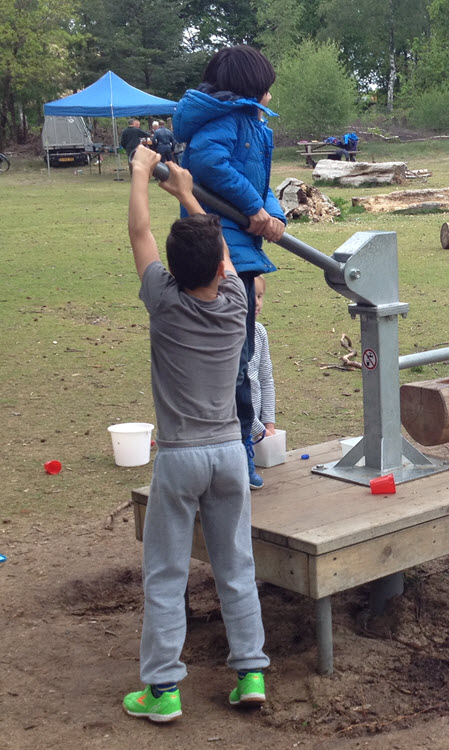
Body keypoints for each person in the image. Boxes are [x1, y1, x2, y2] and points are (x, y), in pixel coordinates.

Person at [122, 146, 269, 723]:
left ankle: (162, 691)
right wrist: (186, 192)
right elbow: (224, 254)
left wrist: (139, 173)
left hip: (181, 457)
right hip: (231, 455)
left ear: (172, 272)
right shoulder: (236, 301)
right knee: (236, 565)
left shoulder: (163, 301)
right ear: (216, 268)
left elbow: (139, 233)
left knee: (166, 572)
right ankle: (251, 673)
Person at [173, 44, 287, 490]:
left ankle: (239, 447)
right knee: (233, 360)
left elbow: (259, 181)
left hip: (246, 245)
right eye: (266, 89)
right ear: (249, 89)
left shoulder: (253, 125)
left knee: (240, 357)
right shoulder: (227, 122)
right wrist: (254, 206)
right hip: (224, 251)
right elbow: (206, 164)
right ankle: (235, 452)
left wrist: (271, 212)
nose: (271, 98)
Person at [248, 275, 276, 440]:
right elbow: (235, 391)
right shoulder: (228, 335)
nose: (257, 302)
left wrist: (268, 422)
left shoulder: (259, 332)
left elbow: (265, 379)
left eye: (259, 296)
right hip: (233, 428)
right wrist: (258, 429)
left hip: (256, 428)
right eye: (251, 296)